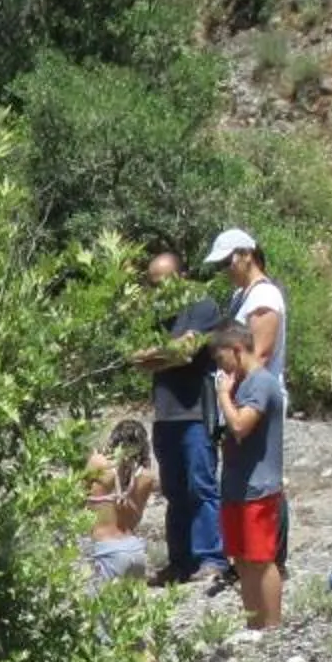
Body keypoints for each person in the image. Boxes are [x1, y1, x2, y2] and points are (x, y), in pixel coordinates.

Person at [132, 251, 230, 588]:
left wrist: (158, 356)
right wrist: (165, 355)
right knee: (174, 490)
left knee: (201, 485)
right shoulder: (156, 316)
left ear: (182, 277)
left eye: (166, 283)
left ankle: (212, 558)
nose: (160, 291)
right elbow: (136, 356)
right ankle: (180, 561)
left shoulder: (202, 307)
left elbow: (185, 351)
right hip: (166, 414)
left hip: (195, 413)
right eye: (154, 285)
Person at [210, 321, 288, 631]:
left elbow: (242, 425)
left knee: (260, 559)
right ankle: (253, 625)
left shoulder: (261, 383)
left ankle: (272, 626)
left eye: (221, 360)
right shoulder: (242, 384)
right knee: (241, 559)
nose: (220, 369)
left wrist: (223, 397)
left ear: (237, 350)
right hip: (235, 485)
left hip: (259, 487)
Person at [205, 227, 288, 391]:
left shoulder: (264, 296)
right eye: (220, 265)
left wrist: (230, 391)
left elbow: (259, 356)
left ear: (247, 255)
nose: (225, 270)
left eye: (227, 262)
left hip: (256, 400)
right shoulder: (240, 296)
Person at [83, 420, 157, 584]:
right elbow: (135, 519)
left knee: (99, 607)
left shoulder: (98, 463)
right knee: (131, 608)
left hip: (107, 549)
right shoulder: (146, 476)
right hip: (135, 550)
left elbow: (79, 494)